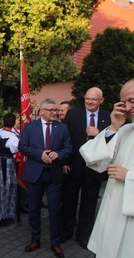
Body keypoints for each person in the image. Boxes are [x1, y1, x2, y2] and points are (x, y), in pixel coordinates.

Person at [79, 78, 134, 257]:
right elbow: (94, 159)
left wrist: (129, 177)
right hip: (113, 215)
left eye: (131, 100)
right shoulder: (125, 131)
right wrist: (113, 127)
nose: (126, 107)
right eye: (123, 102)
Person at [18, 98, 72, 258]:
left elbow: (69, 148)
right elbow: (22, 146)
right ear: (41, 111)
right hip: (35, 174)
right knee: (34, 209)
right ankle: (35, 239)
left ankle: (55, 243)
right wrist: (40, 155)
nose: (55, 112)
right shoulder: (30, 127)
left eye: (56, 110)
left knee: (54, 210)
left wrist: (59, 154)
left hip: (54, 174)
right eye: (51, 110)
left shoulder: (62, 128)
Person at [60, 87, 111, 248]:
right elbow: (65, 138)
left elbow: (113, 141)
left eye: (94, 99)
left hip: (95, 168)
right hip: (74, 165)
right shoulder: (73, 114)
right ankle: (67, 231)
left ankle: (83, 235)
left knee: (89, 203)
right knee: (69, 201)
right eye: (87, 98)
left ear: (101, 101)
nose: (89, 101)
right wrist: (65, 161)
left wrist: (100, 133)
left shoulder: (107, 117)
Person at [0, 113, 19, 220]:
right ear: (13, 123)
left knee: (1, 186)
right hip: (8, 162)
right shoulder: (13, 138)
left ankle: (1, 211)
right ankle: (7, 213)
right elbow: (16, 151)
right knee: (8, 186)